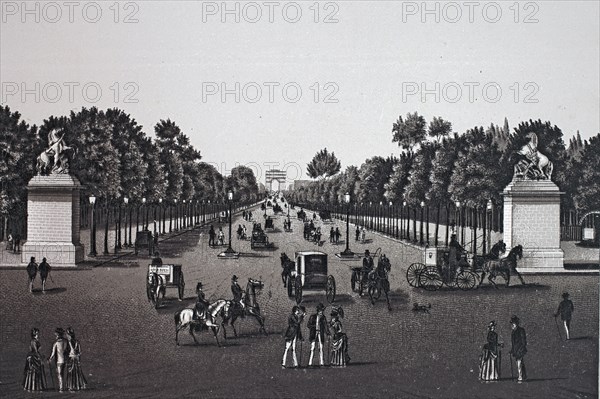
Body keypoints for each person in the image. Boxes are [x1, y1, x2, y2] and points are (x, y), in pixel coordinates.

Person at [22, 327, 46, 392]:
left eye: (38, 333)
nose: (38, 334)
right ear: (34, 334)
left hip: (35, 357)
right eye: (37, 333)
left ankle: (36, 387)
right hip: (33, 358)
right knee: (34, 371)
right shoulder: (33, 341)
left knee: (35, 372)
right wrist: (40, 357)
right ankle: (32, 387)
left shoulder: (36, 340)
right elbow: (35, 351)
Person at [49, 327, 68, 392]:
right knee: (63, 373)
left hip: (59, 361)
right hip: (65, 360)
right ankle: (63, 386)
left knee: (60, 374)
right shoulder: (66, 341)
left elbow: (53, 354)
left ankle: (61, 388)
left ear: (58, 335)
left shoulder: (56, 343)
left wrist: (49, 359)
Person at [510, 315, 527, 382]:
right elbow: (513, 343)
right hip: (516, 350)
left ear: (516, 323)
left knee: (519, 363)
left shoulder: (521, 330)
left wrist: (521, 348)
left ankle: (520, 377)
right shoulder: (513, 332)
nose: (512, 325)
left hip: (520, 350)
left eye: (513, 324)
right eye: (512, 324)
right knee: (519, 363)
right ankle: (523, 376)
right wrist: (512, 350)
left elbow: (523, 341)